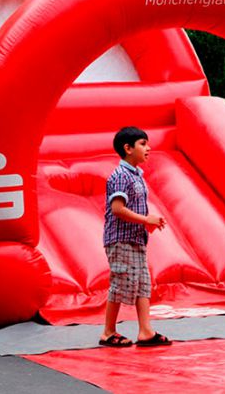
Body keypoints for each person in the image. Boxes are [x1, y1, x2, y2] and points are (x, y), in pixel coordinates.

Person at [100, 126, 171, 348]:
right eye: (143, 144)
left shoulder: (136, 175)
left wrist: (146, 224)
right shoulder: (121, 176)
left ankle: (145, 331)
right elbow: (117, 209)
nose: (148, 148)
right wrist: (146, 219)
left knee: (142, 284)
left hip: (135, 238)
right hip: (121, 240)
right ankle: (108, 332)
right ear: (128, 148)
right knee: (120, 282)